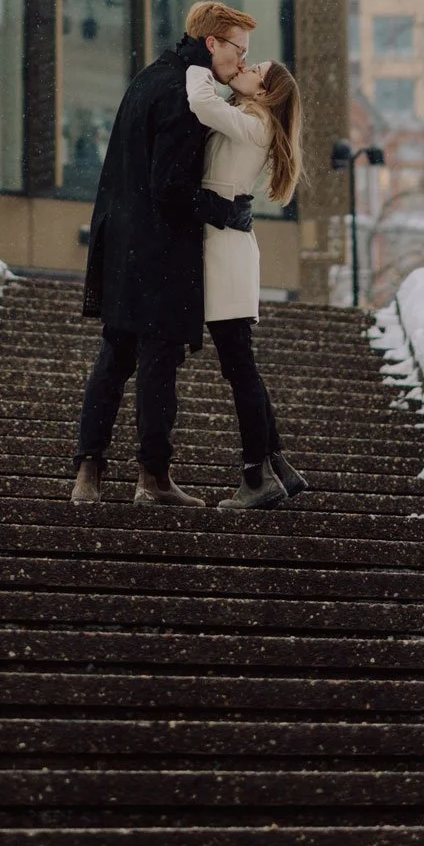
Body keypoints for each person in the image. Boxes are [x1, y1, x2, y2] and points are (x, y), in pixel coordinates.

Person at [69, 1, 254, 507]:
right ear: (212, 43)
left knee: (115, 357)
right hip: (161, 250)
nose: (242, 62)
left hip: (122, 240)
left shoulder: (152, 76)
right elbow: (171, 187)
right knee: (157, 364)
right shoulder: (184, 96)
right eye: (240, 49)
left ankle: (88, 472)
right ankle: (152, 478)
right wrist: (225, 209)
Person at [188, 54, 309, 510]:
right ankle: (276, 465)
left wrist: (202, 60)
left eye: (255, 68)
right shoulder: (249, 118)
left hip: (227, 254)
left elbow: (201, 102)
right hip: (225, 248)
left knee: (239, 368)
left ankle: (256, 477)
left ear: (265, 91)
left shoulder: (255, 125)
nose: (246, 66)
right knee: (242, 367)